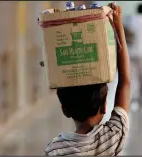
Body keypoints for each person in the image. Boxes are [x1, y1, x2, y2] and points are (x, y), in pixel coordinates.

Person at [44, 3, 130, 156]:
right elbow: (125, 82)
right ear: (105, 106)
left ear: (64, 110)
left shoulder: (55, 149)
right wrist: (118, 25)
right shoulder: (113, 136)